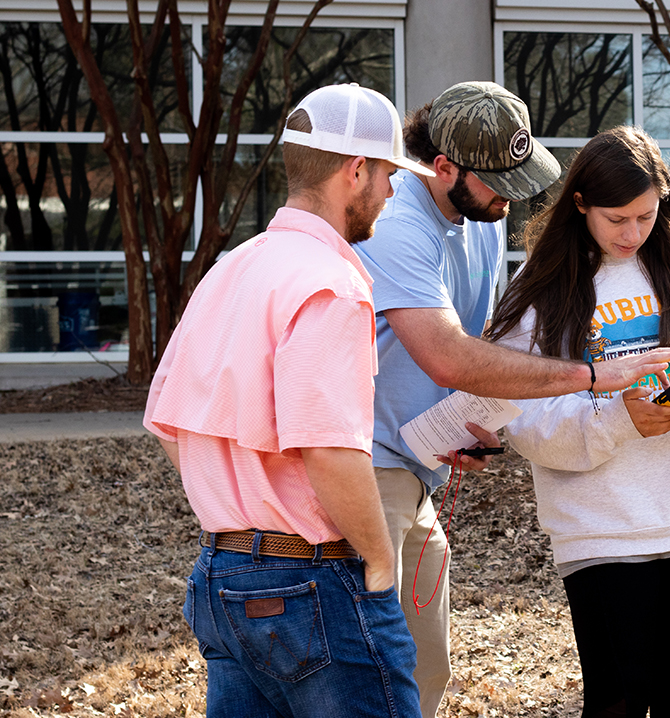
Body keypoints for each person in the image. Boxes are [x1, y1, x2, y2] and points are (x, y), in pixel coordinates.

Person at [352, 83, 670, 716]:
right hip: (367, 467)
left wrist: (466, 421)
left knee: (426, 669)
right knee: (377, 671)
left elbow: (477, 357)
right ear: (444, 167)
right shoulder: (398, 223)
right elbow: (448, 353)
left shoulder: (480, 220)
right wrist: (591, 377)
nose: (513, 195)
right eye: (497, 180)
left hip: (418, 463)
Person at [143, 84, 429, 717]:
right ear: (355, 171)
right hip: (311, 585)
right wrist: (380, 564)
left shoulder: (234, 267)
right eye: (386, 174)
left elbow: (165, 419)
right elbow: (327, 448)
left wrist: (236, 504)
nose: (391, 190)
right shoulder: (331, 285)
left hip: (222, 575)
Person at [486, 126, 670, 717]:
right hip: (602, 527)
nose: (633, 233)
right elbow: (519, 409)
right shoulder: (542, 288)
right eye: (616, 218)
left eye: (646, 216)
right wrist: (618, 420)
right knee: (616, 703)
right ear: (579, 206)